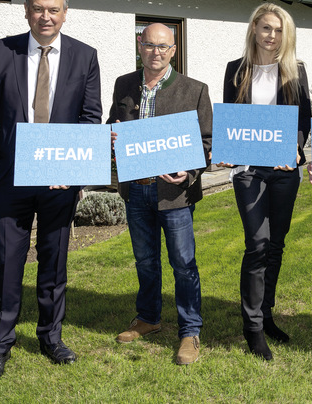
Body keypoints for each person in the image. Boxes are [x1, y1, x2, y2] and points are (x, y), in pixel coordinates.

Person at [0, 0, 102, 382]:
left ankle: (51, 338)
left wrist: (76, 171)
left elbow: (89, 118)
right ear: (26, 10)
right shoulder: (1, 52)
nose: (45, 16)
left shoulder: (85, 56)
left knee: (54, 262)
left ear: (65, 14)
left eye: (54, 9)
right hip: (9, 180)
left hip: (59, 180)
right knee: (7, 264)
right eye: (38, 8)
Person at [108, 23, 212, 365]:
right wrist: (112, 137)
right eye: (150, 45)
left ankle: (190, 330)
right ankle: (148, 317)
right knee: (145, 260)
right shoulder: (124, 84)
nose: (156, 51)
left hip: (174, 195)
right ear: (140, 46)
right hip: (137, 190)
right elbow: (115, 124)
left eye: (162, 46)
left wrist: (190, 170)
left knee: (183, 264)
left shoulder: (194, 90)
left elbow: (207, 142)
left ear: (173, 49)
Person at [219, 3, 311, 360]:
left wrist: (298, 147)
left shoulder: (296, 71)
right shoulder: (235, 70)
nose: (272, 36)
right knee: (257, 243)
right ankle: (253, 328)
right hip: (248, 172)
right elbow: (231, 118)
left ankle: (267, 313)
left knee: (275, 244)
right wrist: (228, 148)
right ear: (254, 28)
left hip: (285, 171)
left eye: (279, 30)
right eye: (267, 28)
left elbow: (303, 118)